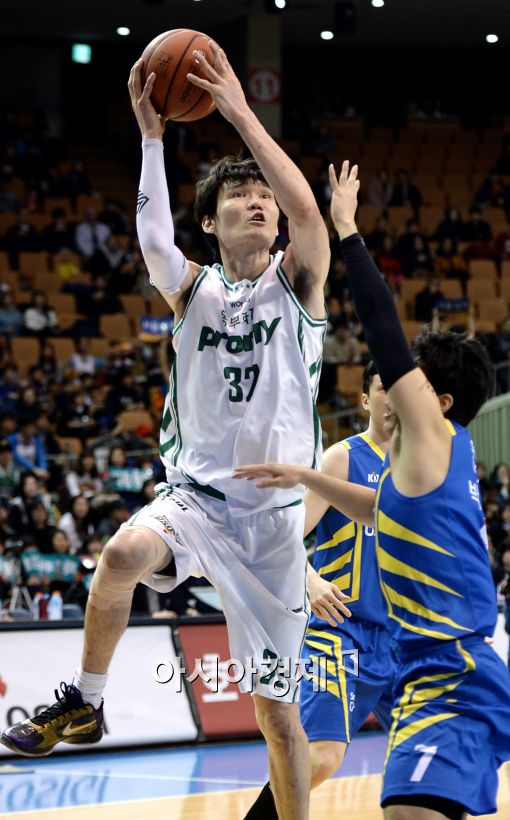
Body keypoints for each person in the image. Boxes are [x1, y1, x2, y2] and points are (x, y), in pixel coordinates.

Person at [2, 43, 330, 820]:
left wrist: (241, 115)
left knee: (276, 716)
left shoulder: (300, 283)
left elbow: (311, 214)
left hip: (275, 531)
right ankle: (84, 702)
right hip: (197, 502)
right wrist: (151, 135)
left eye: (263, 197)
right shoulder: (192, 292)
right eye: (238, 197)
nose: (257, 203)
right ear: (210, 225)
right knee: (119, 554)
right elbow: (153, 244)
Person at [234, 161, 510, 819]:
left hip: (452, 671)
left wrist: (348, 231)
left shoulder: (435, 435)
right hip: (425, 669)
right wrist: (304, 475)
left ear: (437, 400)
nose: (396, 378)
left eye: (409, 378)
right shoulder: (430, 466)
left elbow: (384, 330)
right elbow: (377, 508)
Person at [245, 361, 395, 818]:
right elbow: (290, 537)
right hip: (342, 629)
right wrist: (310, 582)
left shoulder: (421, 467)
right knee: (324, 756)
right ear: (366, 399)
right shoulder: (344, 458)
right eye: (382, 388)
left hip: (401, 635)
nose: (393, 398)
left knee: (434, 752)